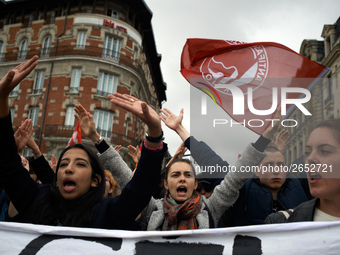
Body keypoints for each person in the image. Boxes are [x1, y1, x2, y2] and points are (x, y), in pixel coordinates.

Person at [0, 56, 167, 229]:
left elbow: (141, 188)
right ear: (56, 179)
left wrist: (154, 134)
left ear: (95, 180)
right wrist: (1, 100)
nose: (68, 169)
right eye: (63, 164)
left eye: (80, 164)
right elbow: (7, 161)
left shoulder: (107, 214)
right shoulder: (36, 201)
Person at [138, 107, 280, 230]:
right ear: (165, 184)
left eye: (188, 175)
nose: (182, 179)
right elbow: (133, 186)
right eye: (175, 175)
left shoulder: (210, 209)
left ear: (195, 184)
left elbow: (234, 178)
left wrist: (266, 136)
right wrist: (158, 132)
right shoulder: (153, 209)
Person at [265, 119, 340, 223]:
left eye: (325, 151)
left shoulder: (297, 184)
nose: (309, 159)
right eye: (308, 152)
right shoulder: (282, 222)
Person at [218, 145, 310, 227]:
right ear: (256, 171)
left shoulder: (301, 185)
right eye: (269, 165)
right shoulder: (242, 191)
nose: (276, 170)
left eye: (280, 165)